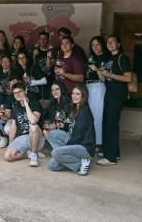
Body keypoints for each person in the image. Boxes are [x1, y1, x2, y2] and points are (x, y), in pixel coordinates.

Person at [97, 35, 132, 166]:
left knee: (110, 124)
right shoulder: (110, 58)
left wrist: (110, 74)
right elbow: (107, 78)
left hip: (117, 95)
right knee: (109, 123)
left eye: (113, 42)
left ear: (119, 44)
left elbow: (128, 78)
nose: (110, 44)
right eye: (108, 42)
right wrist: (101, 74)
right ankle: (113, 151)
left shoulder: (122, 58)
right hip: (110, 93)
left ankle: (110, 158)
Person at [48, 84, 96, 176]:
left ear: (83, 96)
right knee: (52, 165)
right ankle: (77, 162)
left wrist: (65, 147)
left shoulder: (84, 112)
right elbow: (71, 126)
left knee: (55, 153)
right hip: (73, 140)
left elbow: (78, 135)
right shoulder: (75, 108)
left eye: (77, 94)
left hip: (84, 147)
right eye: (73, 93)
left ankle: (85, 160)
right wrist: (62, 125)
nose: (74, 96)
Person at [3, 82, 44, 167]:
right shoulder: (15, 107)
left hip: (36, 138)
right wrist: (11, 144)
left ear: (25, 91)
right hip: (22, 138)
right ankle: (27, 154)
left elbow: (33, 120)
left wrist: (25, 104)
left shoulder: (34, 103)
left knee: (33, 126)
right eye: (15, 93)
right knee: (7, 156)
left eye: (20, 92)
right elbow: (13, 128)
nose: (17, 94)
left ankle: (34, 155)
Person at [84, 36, 108, 148]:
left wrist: (96, 69)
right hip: (87, 86)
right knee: (88, 114)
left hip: (98, 86)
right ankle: (89, 140)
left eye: (98, 44)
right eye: (93, 45)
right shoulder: (91, 57)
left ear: (103, 44)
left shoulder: (106, 58)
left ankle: (98, 142)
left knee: (97, 115)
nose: (95, 47)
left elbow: (103, 78)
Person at [42, 81, 72, 149]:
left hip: (69, 134)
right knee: (46, 131)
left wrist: (59, 125)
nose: (55, 92)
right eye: (53, 90)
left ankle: (60, 151)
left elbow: (72, 124)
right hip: (59, 133)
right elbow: (52, 122)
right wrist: (50, 125)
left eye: (57, 89)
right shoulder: (53, 105)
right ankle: (60, 151)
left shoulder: (69, 103)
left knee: (50, 133)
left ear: (62, 89)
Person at [32, 31, 55, 102]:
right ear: (38, 40)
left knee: (49, 103)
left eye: (45, 39)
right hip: (37, 82)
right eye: (41, 39)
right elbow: (33, 67)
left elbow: (48, 68)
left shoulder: (51, 52)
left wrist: (49, 57)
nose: (42, 40)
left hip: (49, 81)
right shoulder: (35, 51)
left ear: (48, 40)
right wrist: (33, 56)